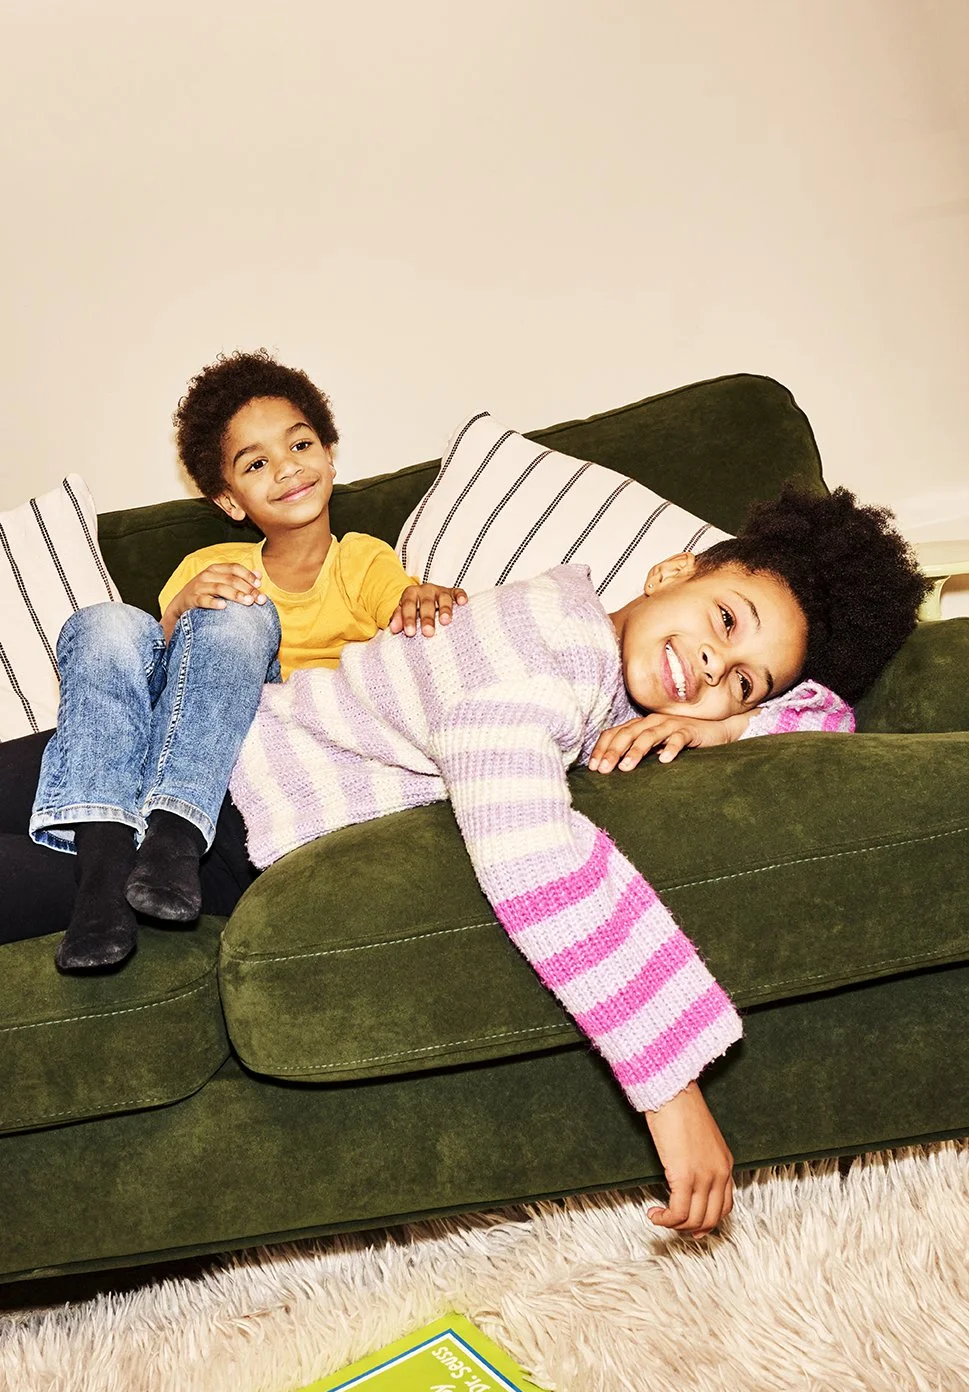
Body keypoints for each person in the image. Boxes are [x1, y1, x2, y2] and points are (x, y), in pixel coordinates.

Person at [0, 484, 923, 1234]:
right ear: (674, 570)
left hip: (191, 773)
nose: (711, 667)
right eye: (723, 619)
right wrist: (670, 1090)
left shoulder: (585, 636)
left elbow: (826, 719)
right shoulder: (557, 651)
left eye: (742, 680)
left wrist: (725, 726)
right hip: (217, 801)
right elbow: (525, 841)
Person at [25, 350, 465, 971]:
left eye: (300, 445)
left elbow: (401, 609)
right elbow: (153, 682)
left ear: (329, 455)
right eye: (256, 463)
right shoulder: (207, 566)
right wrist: (179, 613)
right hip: (165, 736)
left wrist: (422, 598)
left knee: (241, 614)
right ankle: (104, 872)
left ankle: (176, 835)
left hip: (254, 747)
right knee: (106, 622)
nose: (286, 468)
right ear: (231, 501)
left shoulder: (360, 559)